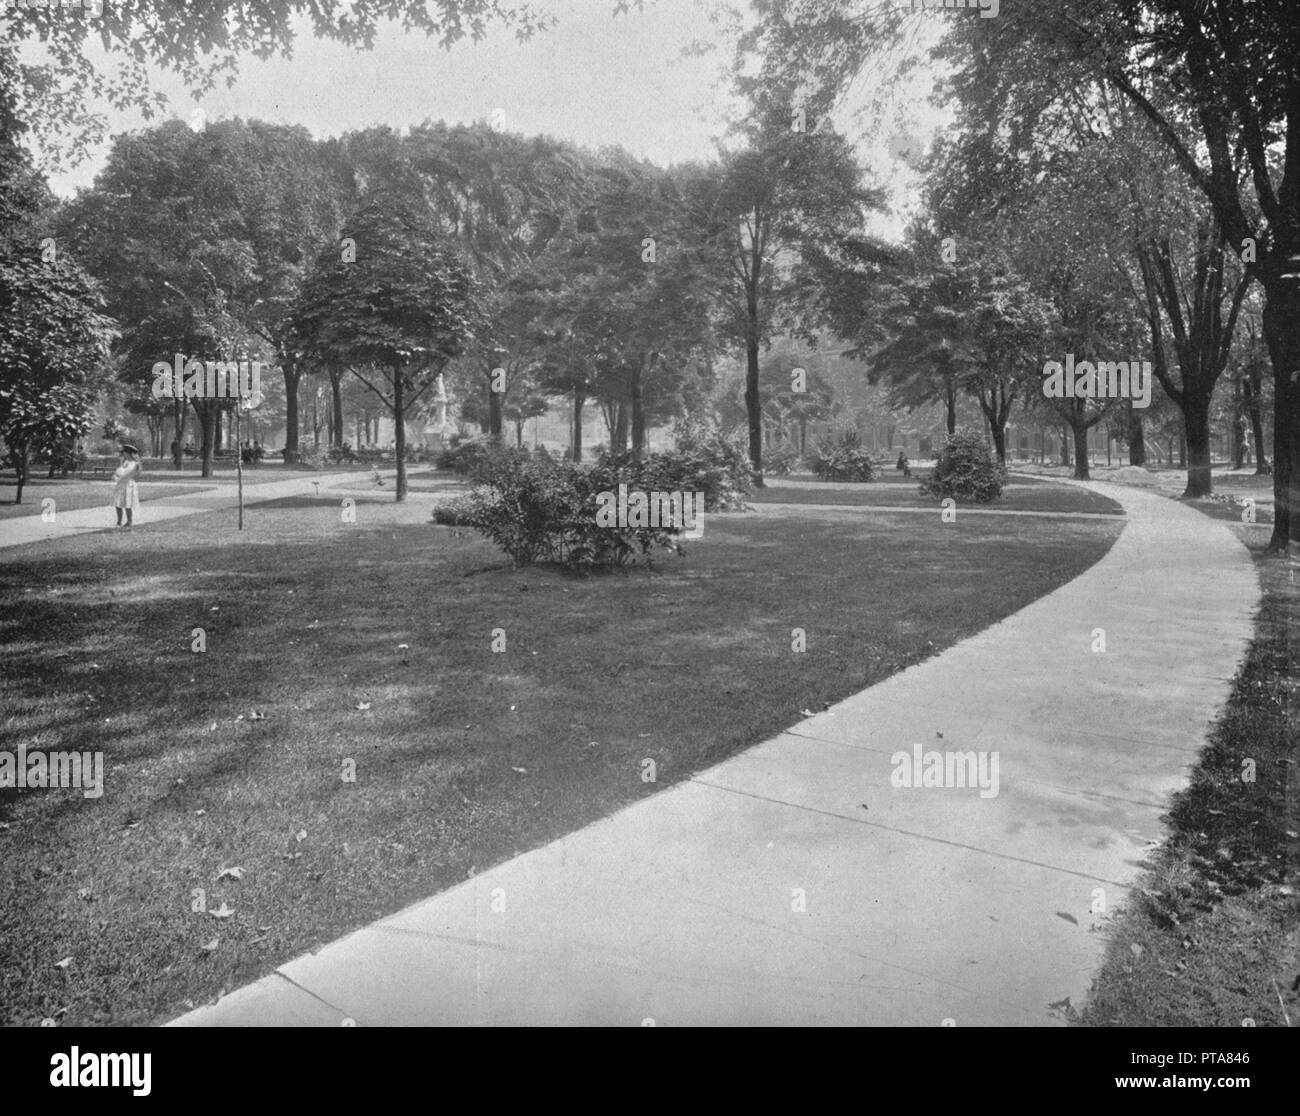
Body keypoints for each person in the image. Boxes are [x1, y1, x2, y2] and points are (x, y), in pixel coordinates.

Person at [112, 444, 141, 528]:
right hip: (121, 483)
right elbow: (119, 472)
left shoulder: (133, 464)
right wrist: (116, 475)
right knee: (118, 503)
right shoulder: (126, 462)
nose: (123, 454)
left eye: (124, 453)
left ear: (128, 453)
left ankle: (129, 521)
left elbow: (124, 473)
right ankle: (119, 521)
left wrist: (118, 472)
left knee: (127, 503)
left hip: (128, 484)